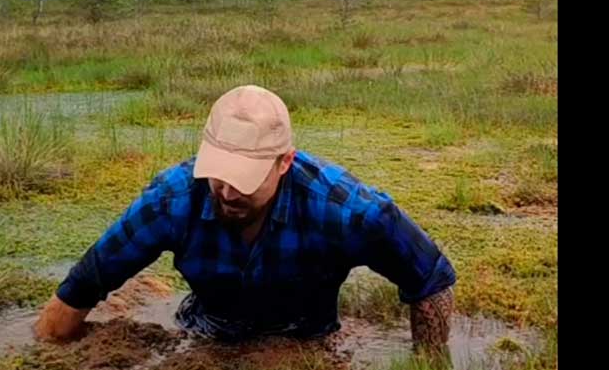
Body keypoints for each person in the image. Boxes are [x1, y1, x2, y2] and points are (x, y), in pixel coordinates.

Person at [34, 85, 456, 349]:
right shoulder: (172, 200)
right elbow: (86, 284)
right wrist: (48, 357)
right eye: (219, 174)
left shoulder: (346, 209)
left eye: (245, 178)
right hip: (207, 334)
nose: (229, 191)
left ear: (284, 162)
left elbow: (431, 278)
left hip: (308, 339)